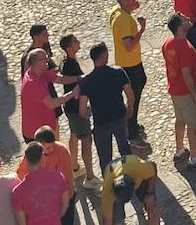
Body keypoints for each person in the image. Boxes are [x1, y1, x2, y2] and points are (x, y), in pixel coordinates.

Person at [99, 151, 164, 225]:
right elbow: (106, 222)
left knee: (152, 209)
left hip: (135, 173)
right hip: (116, 176)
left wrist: (149, 193)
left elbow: (153, 168)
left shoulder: (140, 168)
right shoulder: (107, 191)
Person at [76, 42, 136, 172]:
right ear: (104, 55)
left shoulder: (86, 81)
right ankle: (130, 176)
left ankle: (109, 181)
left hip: (101, 122)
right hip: (119, 117)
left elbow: (82, 109)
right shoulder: (118, 73)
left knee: (105, 157)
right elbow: (131, 96)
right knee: (125, 149)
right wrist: (129, 108)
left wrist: (88, 115)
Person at [162, 12, 196, 168]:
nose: (188, 19)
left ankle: (179, 149)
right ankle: (194, 157)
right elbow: (187, 74)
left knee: (180, 120)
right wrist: (195, 95)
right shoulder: (185, 48)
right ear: (181, 27)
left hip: (174, 89)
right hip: (186, 92)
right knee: (192, 125)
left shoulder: (168, 43)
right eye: (185, 19)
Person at [57, 35, 98, 188]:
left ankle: (74, 166)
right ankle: (90, 177)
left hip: (69, 107)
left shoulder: (64, 62)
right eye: (75, 42)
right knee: (86, 140)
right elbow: (80, 88)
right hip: (76, 109)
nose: (78, 42)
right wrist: (84, 108)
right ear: (69, 48)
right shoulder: (72, 66)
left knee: (74, 134)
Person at [109, 0, 149, 143]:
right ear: (124, 2)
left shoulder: (118, 11)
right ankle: (131, 131)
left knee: (141, 83)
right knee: (134, 98)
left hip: (130, 62)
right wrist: (141, 29)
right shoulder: (124, 20)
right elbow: (129, 46)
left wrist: (132, 7)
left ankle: (130, 122)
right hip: (130, 64)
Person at [20, 50, 67, 142]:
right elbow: (51, 103)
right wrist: (72, 94)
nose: (48, 60)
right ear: (37, 63)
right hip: (36, 134)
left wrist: (78, 78)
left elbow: (60, 80)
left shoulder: (40, 72)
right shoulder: (32, 82)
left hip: (45, 128)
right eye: (44, 58)